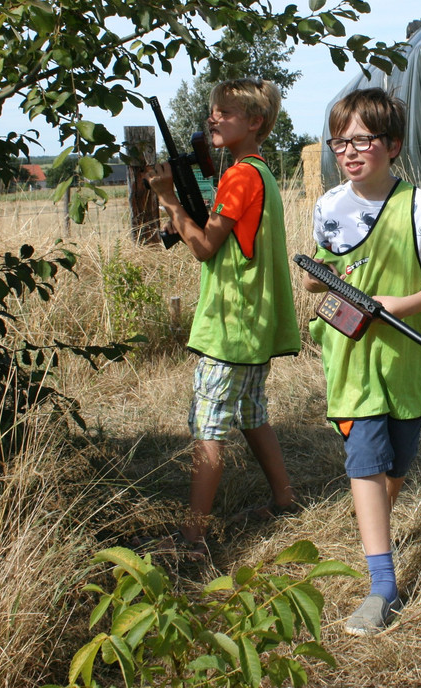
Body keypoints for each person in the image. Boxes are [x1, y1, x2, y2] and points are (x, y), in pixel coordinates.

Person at [300, 88, 421, 635]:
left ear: (392, 145)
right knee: (364, 460)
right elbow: (314, 271)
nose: (349, 151)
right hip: (347, 359)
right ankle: (382, 585)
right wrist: (323, 279)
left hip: (405, 358)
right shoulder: (327, 207)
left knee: (398, 459)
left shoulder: (420, 206)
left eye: (362, 139)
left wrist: (398, 304)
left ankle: (375, 520)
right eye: (339, 141)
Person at [147, 78, 301, 549]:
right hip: (255, 323)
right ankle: (284, 499)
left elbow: (205, 247)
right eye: (212, 110)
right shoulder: (262, 173)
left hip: (231, 327)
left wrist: (170, 199)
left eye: (226, 112)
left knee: (208, 426)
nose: (213, 117)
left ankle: (191, 537)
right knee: (252, 413)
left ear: (255, 122)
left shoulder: (238, 176)